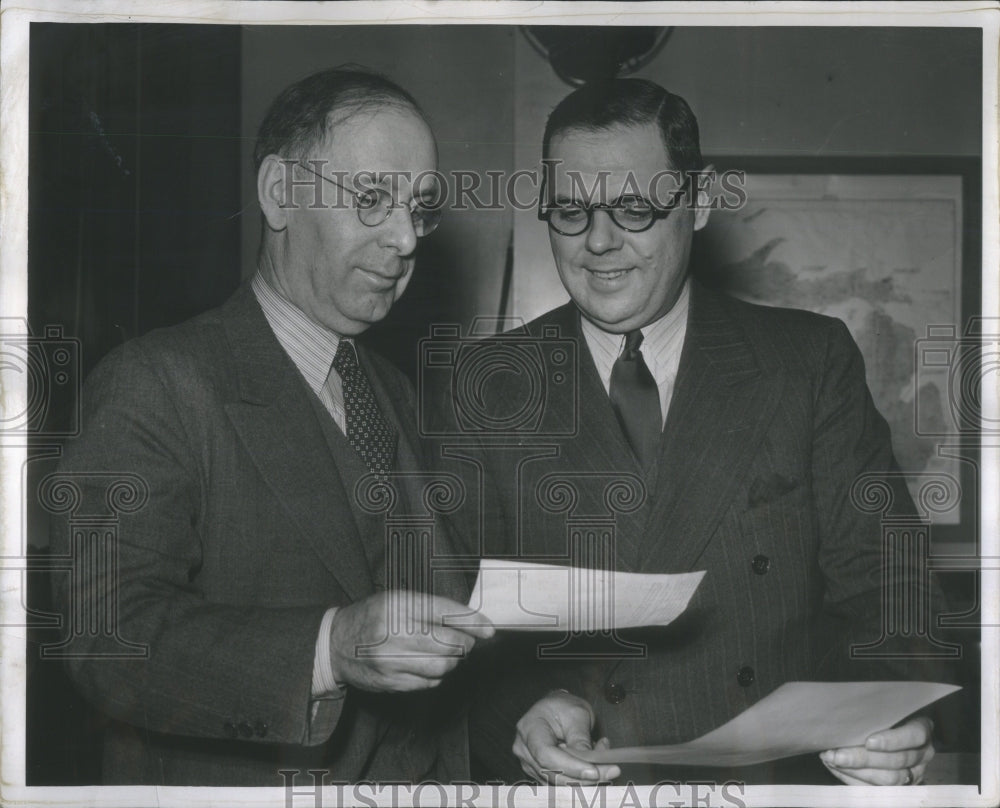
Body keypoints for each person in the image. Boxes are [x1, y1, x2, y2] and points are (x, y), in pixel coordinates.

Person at [458, 78, 947, 787]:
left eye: (633, 207)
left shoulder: (807, 363)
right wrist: (520, 710)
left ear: (701, 200)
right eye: (570, 210)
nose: (598, 241)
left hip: (776, 788)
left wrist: (896, 711)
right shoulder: (481, 387)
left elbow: (889, 586)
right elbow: (443, 627)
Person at [48, 66, 491, 786]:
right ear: (281, 194)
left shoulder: (398, 393)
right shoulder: (156, 382)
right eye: (374, 198)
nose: (407, 237)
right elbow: (108, 641)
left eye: (420, 208)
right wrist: (327, 649)